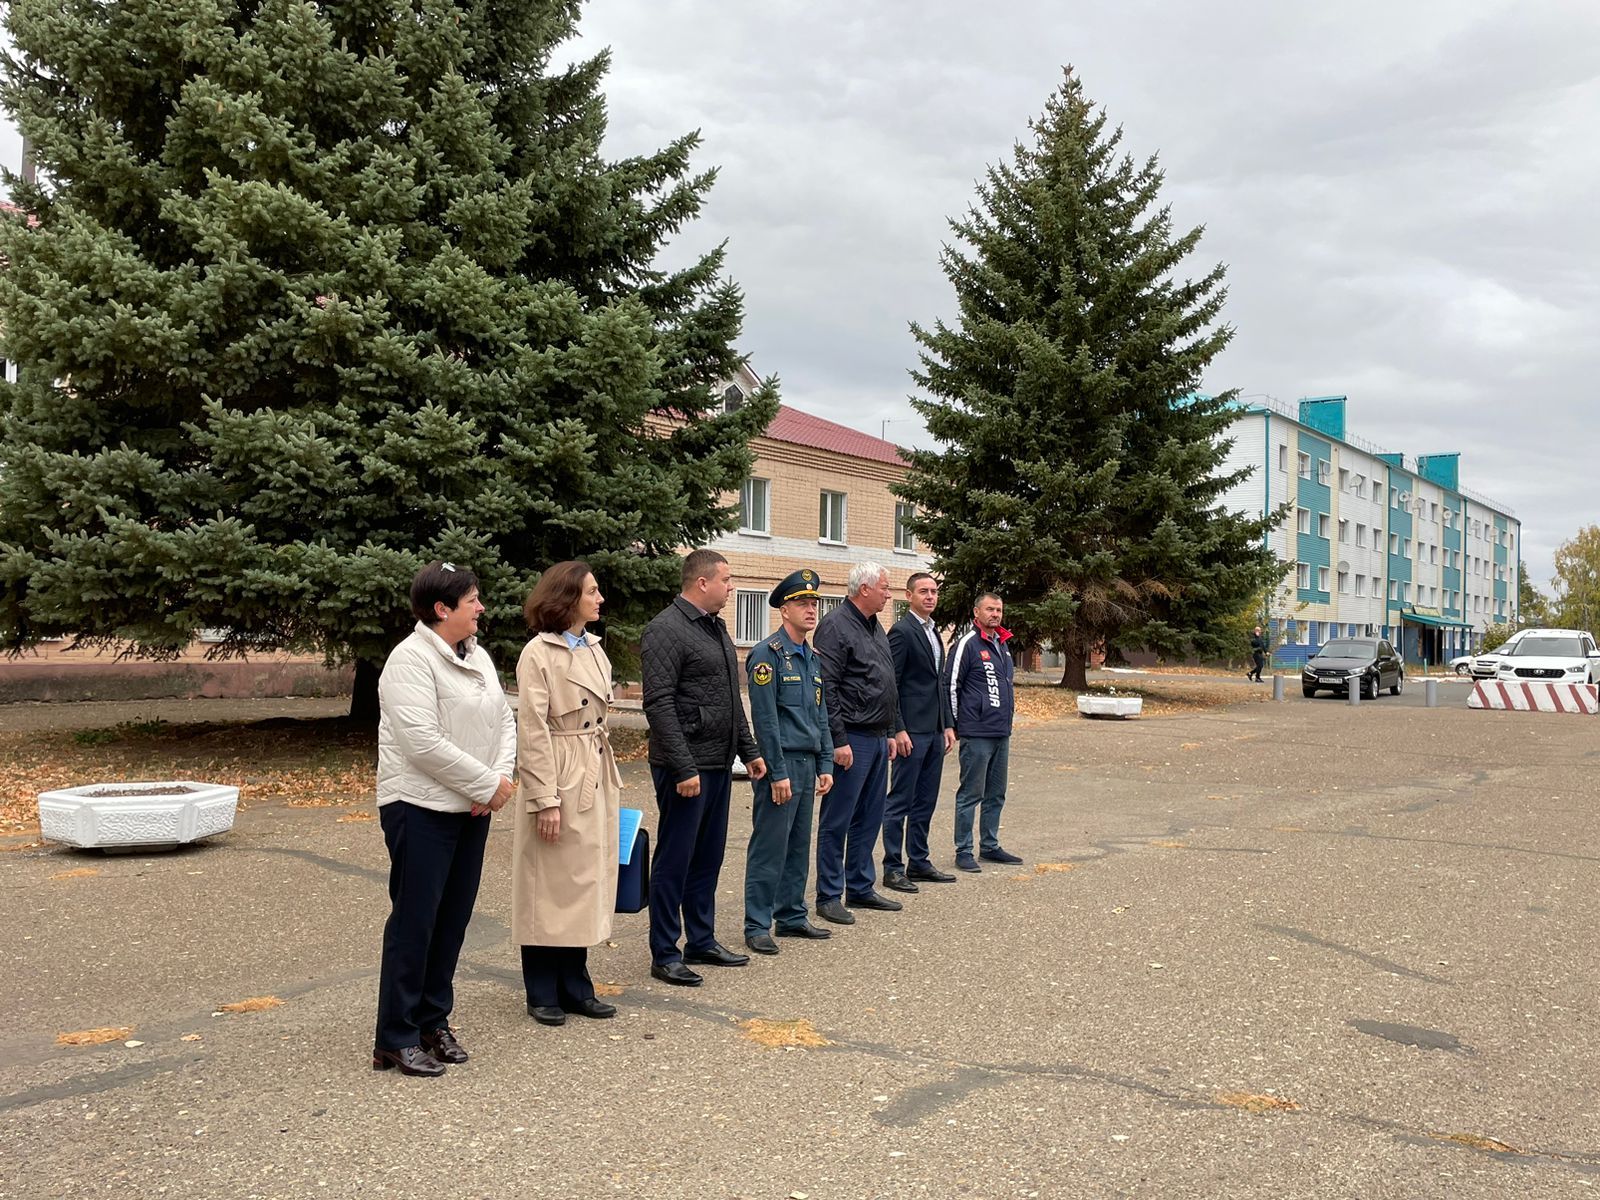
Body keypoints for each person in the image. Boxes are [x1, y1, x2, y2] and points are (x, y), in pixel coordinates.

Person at [373, 561, 515, 1077]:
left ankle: (434, 1021)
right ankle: (395, 1036)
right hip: (419, 807)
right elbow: (422, 742)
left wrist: (495, 782)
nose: (481, 607)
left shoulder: (478, 658)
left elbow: (503, 721)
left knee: (452, 921)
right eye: (473, 599)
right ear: (442, 609)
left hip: (471, 806)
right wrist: (486, 784)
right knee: (416, 922)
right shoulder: (408, 661)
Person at [641, 549, 767, 986]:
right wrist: (682, 766)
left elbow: (732, 700)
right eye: (727, 580)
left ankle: (701, 939)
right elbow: (658, 704)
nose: (731, 588)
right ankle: (664, 951)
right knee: (675, 858)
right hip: (686, 768)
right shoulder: (666, 630)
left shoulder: (715, 628)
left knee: (708, 857)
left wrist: (749, 751)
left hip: (717, 762)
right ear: (702, 583)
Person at [511, 562, 622, 1027]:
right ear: (568, 597)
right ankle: (541, 990)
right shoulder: (538, 653)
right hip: (558, 766)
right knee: (547, 883)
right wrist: (544, 798)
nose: (600, 599)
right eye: (592, 592)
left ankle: (576, 984)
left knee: (583, 879)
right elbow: (532, 729)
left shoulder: (594, 647)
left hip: (592, 762)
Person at [742, 569, 836, 955]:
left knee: (798, 844)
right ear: (784, 609)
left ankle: (792, 915)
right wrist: (777, 773)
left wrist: (826, 762)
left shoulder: (812, 658)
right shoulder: (768, 655)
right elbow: (764, 721)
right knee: (771, 845)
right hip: (780, 765)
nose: (811, 609)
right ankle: (756, 923)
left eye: (814, 603)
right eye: (802, 602)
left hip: (808, 763)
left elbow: (821, 715)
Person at [812, 561, 909, 924]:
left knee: (869, 816)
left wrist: (893, 730)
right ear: (864, 589)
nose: (889, 593)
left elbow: (887, 683)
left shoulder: (875, 627)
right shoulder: (836, 626)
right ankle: (829, 894)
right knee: (839, 818)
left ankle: (861, 886)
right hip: (850, 737)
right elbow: (827, 689)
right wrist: (837, 740)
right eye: (884, 587)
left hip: (876, 735)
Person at [883, 572, 957, 892]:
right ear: (909, 595)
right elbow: (892, 684)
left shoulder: (933, 631)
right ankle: (892, 866)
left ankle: (919, 861)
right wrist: (898, 728)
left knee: (925, 800)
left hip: (934, 732)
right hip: (910, 733)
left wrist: (948, 724)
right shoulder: (902, 631)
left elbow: (939, 682)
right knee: (900, 800)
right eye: (923, 591)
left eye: (934, 591)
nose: (930, 596)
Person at [945, 592, 1021, 872]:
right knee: (970, 793)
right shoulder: (968, 643)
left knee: (996, 793)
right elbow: (951, 685)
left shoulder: (1002, 643)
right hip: (976, 733)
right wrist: (953, 725)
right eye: (990, 609)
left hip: (1001, 732)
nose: (995, 614)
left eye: (999, 610)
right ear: (977, 612)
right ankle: (963, 850)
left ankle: (989, 846)